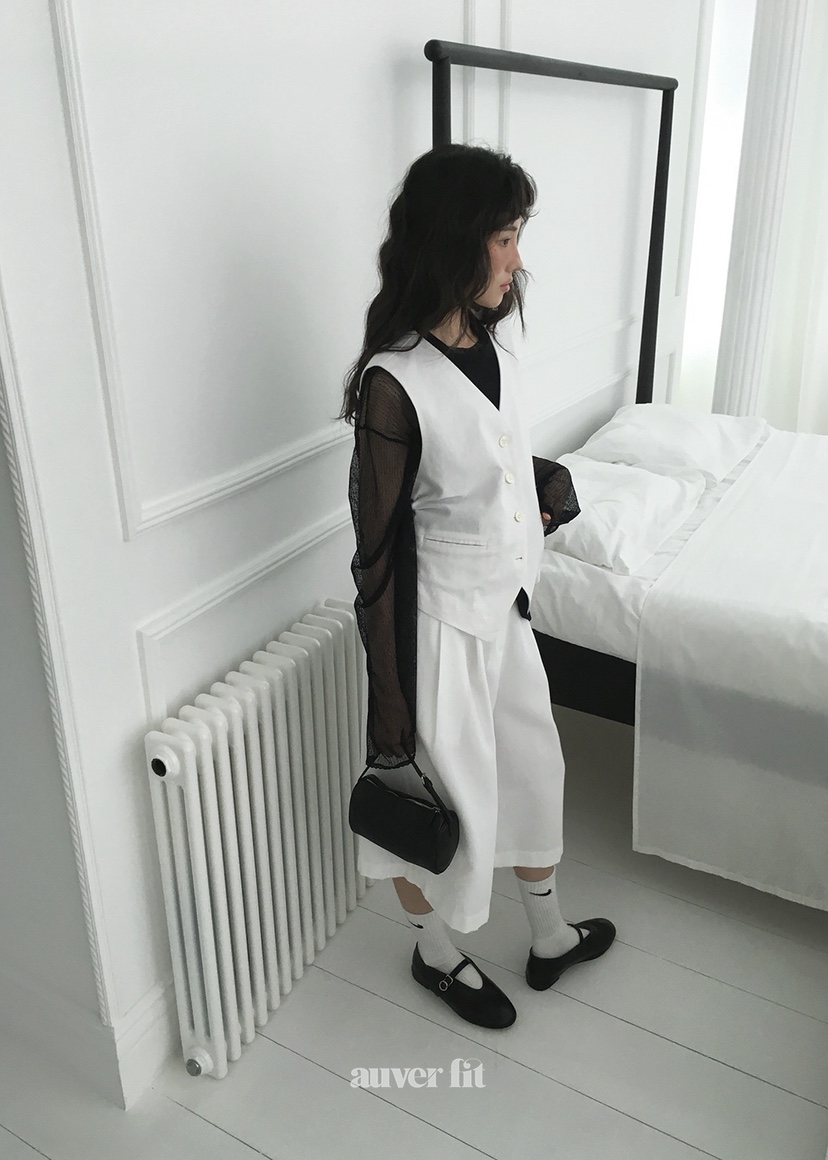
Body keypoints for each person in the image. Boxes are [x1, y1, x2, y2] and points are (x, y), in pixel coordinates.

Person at [342, 143, 615, 1029]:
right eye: (505, 236)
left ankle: (549, 935)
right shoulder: (393, 383)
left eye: (517, 234)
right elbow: (377, 553)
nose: (517, 258)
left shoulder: (493, 347)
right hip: (438, 637)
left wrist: (537, 492)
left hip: (507, 619)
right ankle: (434, 955)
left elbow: (486, 459)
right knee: (440, 808)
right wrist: (391, 705)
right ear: (454, 239)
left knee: (535, 773)